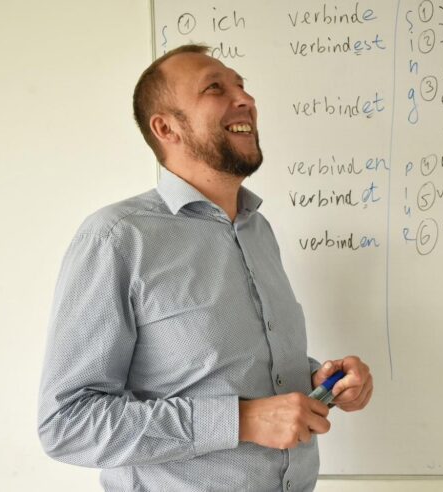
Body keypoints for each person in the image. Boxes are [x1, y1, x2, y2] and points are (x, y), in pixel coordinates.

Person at [37, 44, 373, 491]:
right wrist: (239, 420)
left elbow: (221, 368)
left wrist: (321, 380)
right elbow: (67, 423)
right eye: (215, 88)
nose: (245, 100)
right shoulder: (118, 238)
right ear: (167, 127)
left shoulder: (258, 230)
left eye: (242, 86)